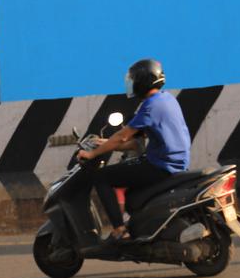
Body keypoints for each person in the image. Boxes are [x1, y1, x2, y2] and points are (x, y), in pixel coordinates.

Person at [77, 58, 191, 251]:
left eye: (134, 80)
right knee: (132, 197)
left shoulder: (151, 106)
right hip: (172, 162)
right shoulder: (166, 99)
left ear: (144, 81)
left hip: (161, 165)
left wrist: (92, 154)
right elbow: (134, 142)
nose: (132, 84)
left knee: (101, 177)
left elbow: (122, 136)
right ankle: (144, 230)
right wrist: (106, 144)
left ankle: (120, 230)